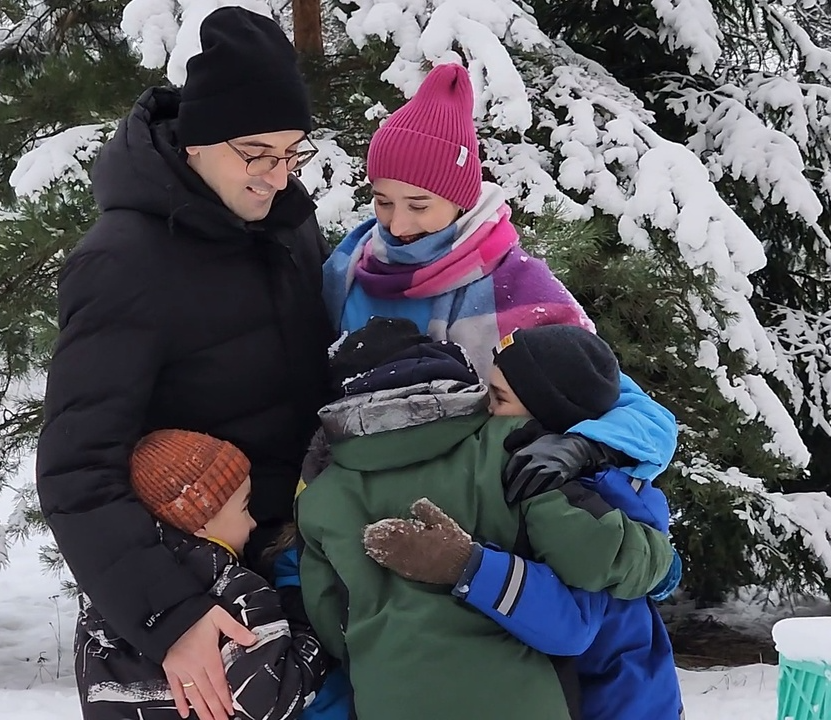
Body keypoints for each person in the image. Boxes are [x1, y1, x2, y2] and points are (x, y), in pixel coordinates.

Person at [35, 8, 333, 720]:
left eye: (292, 152)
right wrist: (168, 616)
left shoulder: (289, 227)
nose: (275, 176)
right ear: (195, 143)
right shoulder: (122, 262)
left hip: (297, 582)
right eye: (255, 152)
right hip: (196, 605)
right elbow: (76, 470)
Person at [322, 62, 677, 496]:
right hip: (354, 497)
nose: (396, 226)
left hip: (477, 511)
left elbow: (640, 414)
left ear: (461, 200)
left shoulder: (518, 288)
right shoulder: (348, 269)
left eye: (418, 205)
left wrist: (583, 447)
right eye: (382, 201)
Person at [296, 319, 675, 719]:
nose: (489, 410)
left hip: (619, 685)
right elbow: (590, 585)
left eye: (497, 397)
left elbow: (330, 622)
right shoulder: (514, 455)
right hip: (562, 691)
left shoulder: (319, 493)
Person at [76, 430, 329, 720]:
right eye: (245, 507)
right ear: (201, 521)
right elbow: (278, 699)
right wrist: (306, 620)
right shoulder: (235, 588)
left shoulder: (105, 601)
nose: (252, 522)